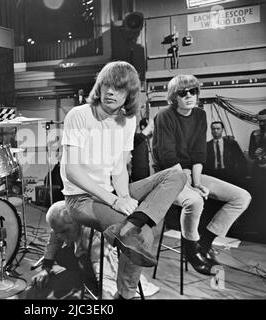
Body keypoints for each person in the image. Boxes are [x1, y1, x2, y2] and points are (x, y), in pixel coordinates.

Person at [60, 61, 186, 299]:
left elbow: (119, 168)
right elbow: (72, 171)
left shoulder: (128, 120)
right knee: (144, 234)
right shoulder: (79, 115)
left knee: (177, 174)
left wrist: (125, 197)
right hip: (80, 199)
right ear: (100, 86)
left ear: (129, 94)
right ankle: (125, 295)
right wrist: (115, 201)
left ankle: (133, 222)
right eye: (107, 85)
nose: (110, 92)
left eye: (118, 89)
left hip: (111, 193)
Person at [152, 75, 252, 276]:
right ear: (174, 97)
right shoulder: (165, 116)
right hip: (168, 175)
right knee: (194, 201)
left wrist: (196, 183)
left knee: (242, 197)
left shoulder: (199, 115)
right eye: (183, 93)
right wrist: (189, 187)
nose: (189, 96)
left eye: (193, 91)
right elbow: (167, 157)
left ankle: (204, 243)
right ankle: (190, 249)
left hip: (190, 172)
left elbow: (198, 153)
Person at [31, 201, 160, 299]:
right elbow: (54, 240)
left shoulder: (93, 234)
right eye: (57, 231)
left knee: (97, 269)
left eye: (64, 232)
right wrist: (46, 269)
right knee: (60, 255)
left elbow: (102, 268)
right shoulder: (64, 221)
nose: (60, 236)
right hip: (85, 251)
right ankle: (84, 271)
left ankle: (88, 276)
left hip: (107, 259)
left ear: (76, 222)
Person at [205, 121, 247, 186]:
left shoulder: (232, 144)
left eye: (218, 129)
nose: (215, 131)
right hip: (214, 175)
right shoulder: (207, 145)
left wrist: (239, 175)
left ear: (222, 130)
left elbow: (241, 160)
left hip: (229, 175)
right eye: (213, 129)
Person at [130, 117, 153, 182]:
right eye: (151, 127)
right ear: (143, 127)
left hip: (146, 176)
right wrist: (150, 124)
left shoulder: (146, 140)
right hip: (137, 178)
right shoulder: (135, 138)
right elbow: (141, 137)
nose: (152, 129)